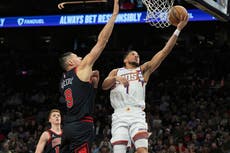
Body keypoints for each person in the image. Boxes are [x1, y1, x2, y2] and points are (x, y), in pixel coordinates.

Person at [101, 16, 189, 153]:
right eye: (133, 54)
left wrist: (178, 30)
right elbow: (104, 86)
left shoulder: (142, 70)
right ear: (125, 59)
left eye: (138, 55)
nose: (136, 56)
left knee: (142, 150)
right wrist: (116, 78)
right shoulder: (116, 71)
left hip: (137, 114)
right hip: (119, 115)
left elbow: (164, 51)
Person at [58, 0, 119, 152]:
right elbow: (102, 42)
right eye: (77, 56)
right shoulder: (81, 68)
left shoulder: (63, 81)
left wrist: (94, 86)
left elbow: (80, 95)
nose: (80, 58)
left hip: (68, 127)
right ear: (71, 62)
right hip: (81, 126)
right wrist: (114, 15)